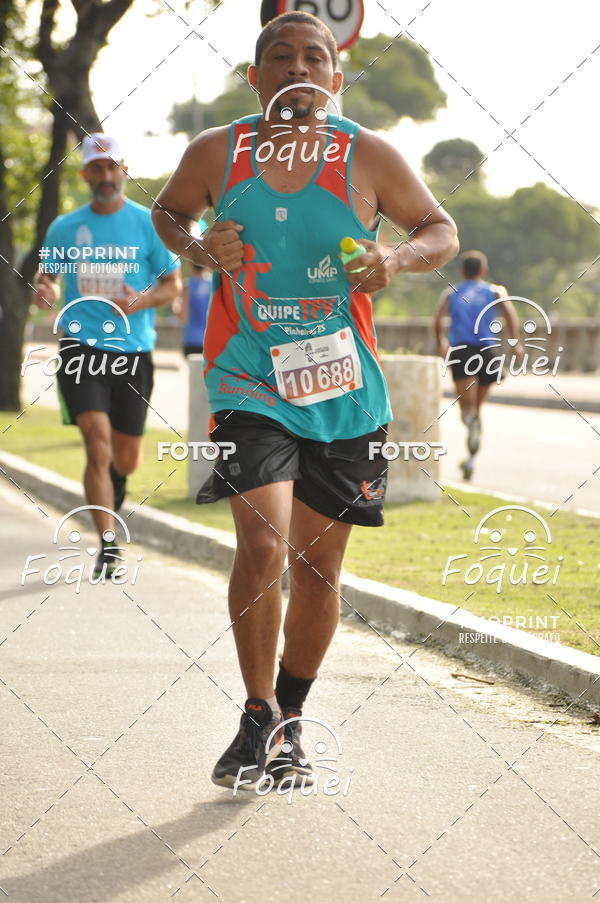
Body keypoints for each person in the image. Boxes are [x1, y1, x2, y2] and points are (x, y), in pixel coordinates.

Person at [153, 11, 458, 790]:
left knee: (318, 566)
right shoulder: (217, 151)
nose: (298, 68)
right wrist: (197, 246)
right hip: (247, 376)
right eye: (281, 56)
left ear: (335, 77)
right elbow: (168, 212)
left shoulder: (368, 155)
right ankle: (256, 712)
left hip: (342, 388)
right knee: (262, 543)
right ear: (254, 77)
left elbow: (440, 228)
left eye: (314, 57)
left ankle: (290, 718)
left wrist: (396, 257)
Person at [31, 134, 181, 576]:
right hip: (81, 346)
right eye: (96, 168)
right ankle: (109, 544)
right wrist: (45, 288)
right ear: (85, 175)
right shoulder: (64, 228)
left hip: (133, 351)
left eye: (112, 167)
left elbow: (173, 286)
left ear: (124, 170)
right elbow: (47, 276)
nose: (105, 176)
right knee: (96, 441)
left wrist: (140, 301)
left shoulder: (149, 224)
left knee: (125, 458)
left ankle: (115, 485)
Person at [434, 250, 522, 479]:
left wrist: (440, 341)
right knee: (477, 408)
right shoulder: (495, 291)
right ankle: (471, 458)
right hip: (487, 351)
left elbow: (438, 319)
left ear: (462, 271)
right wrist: (515, 344)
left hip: (462, 351)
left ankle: (470, 424)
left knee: (466, 409)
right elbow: (510, 314)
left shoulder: (451, 292)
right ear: (483, 271)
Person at [178, 263, 212, 356]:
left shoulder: (187, 285)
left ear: (191, 266)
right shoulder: (215, 284)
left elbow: (183, 316)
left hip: (192, 339)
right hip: (212, 340)